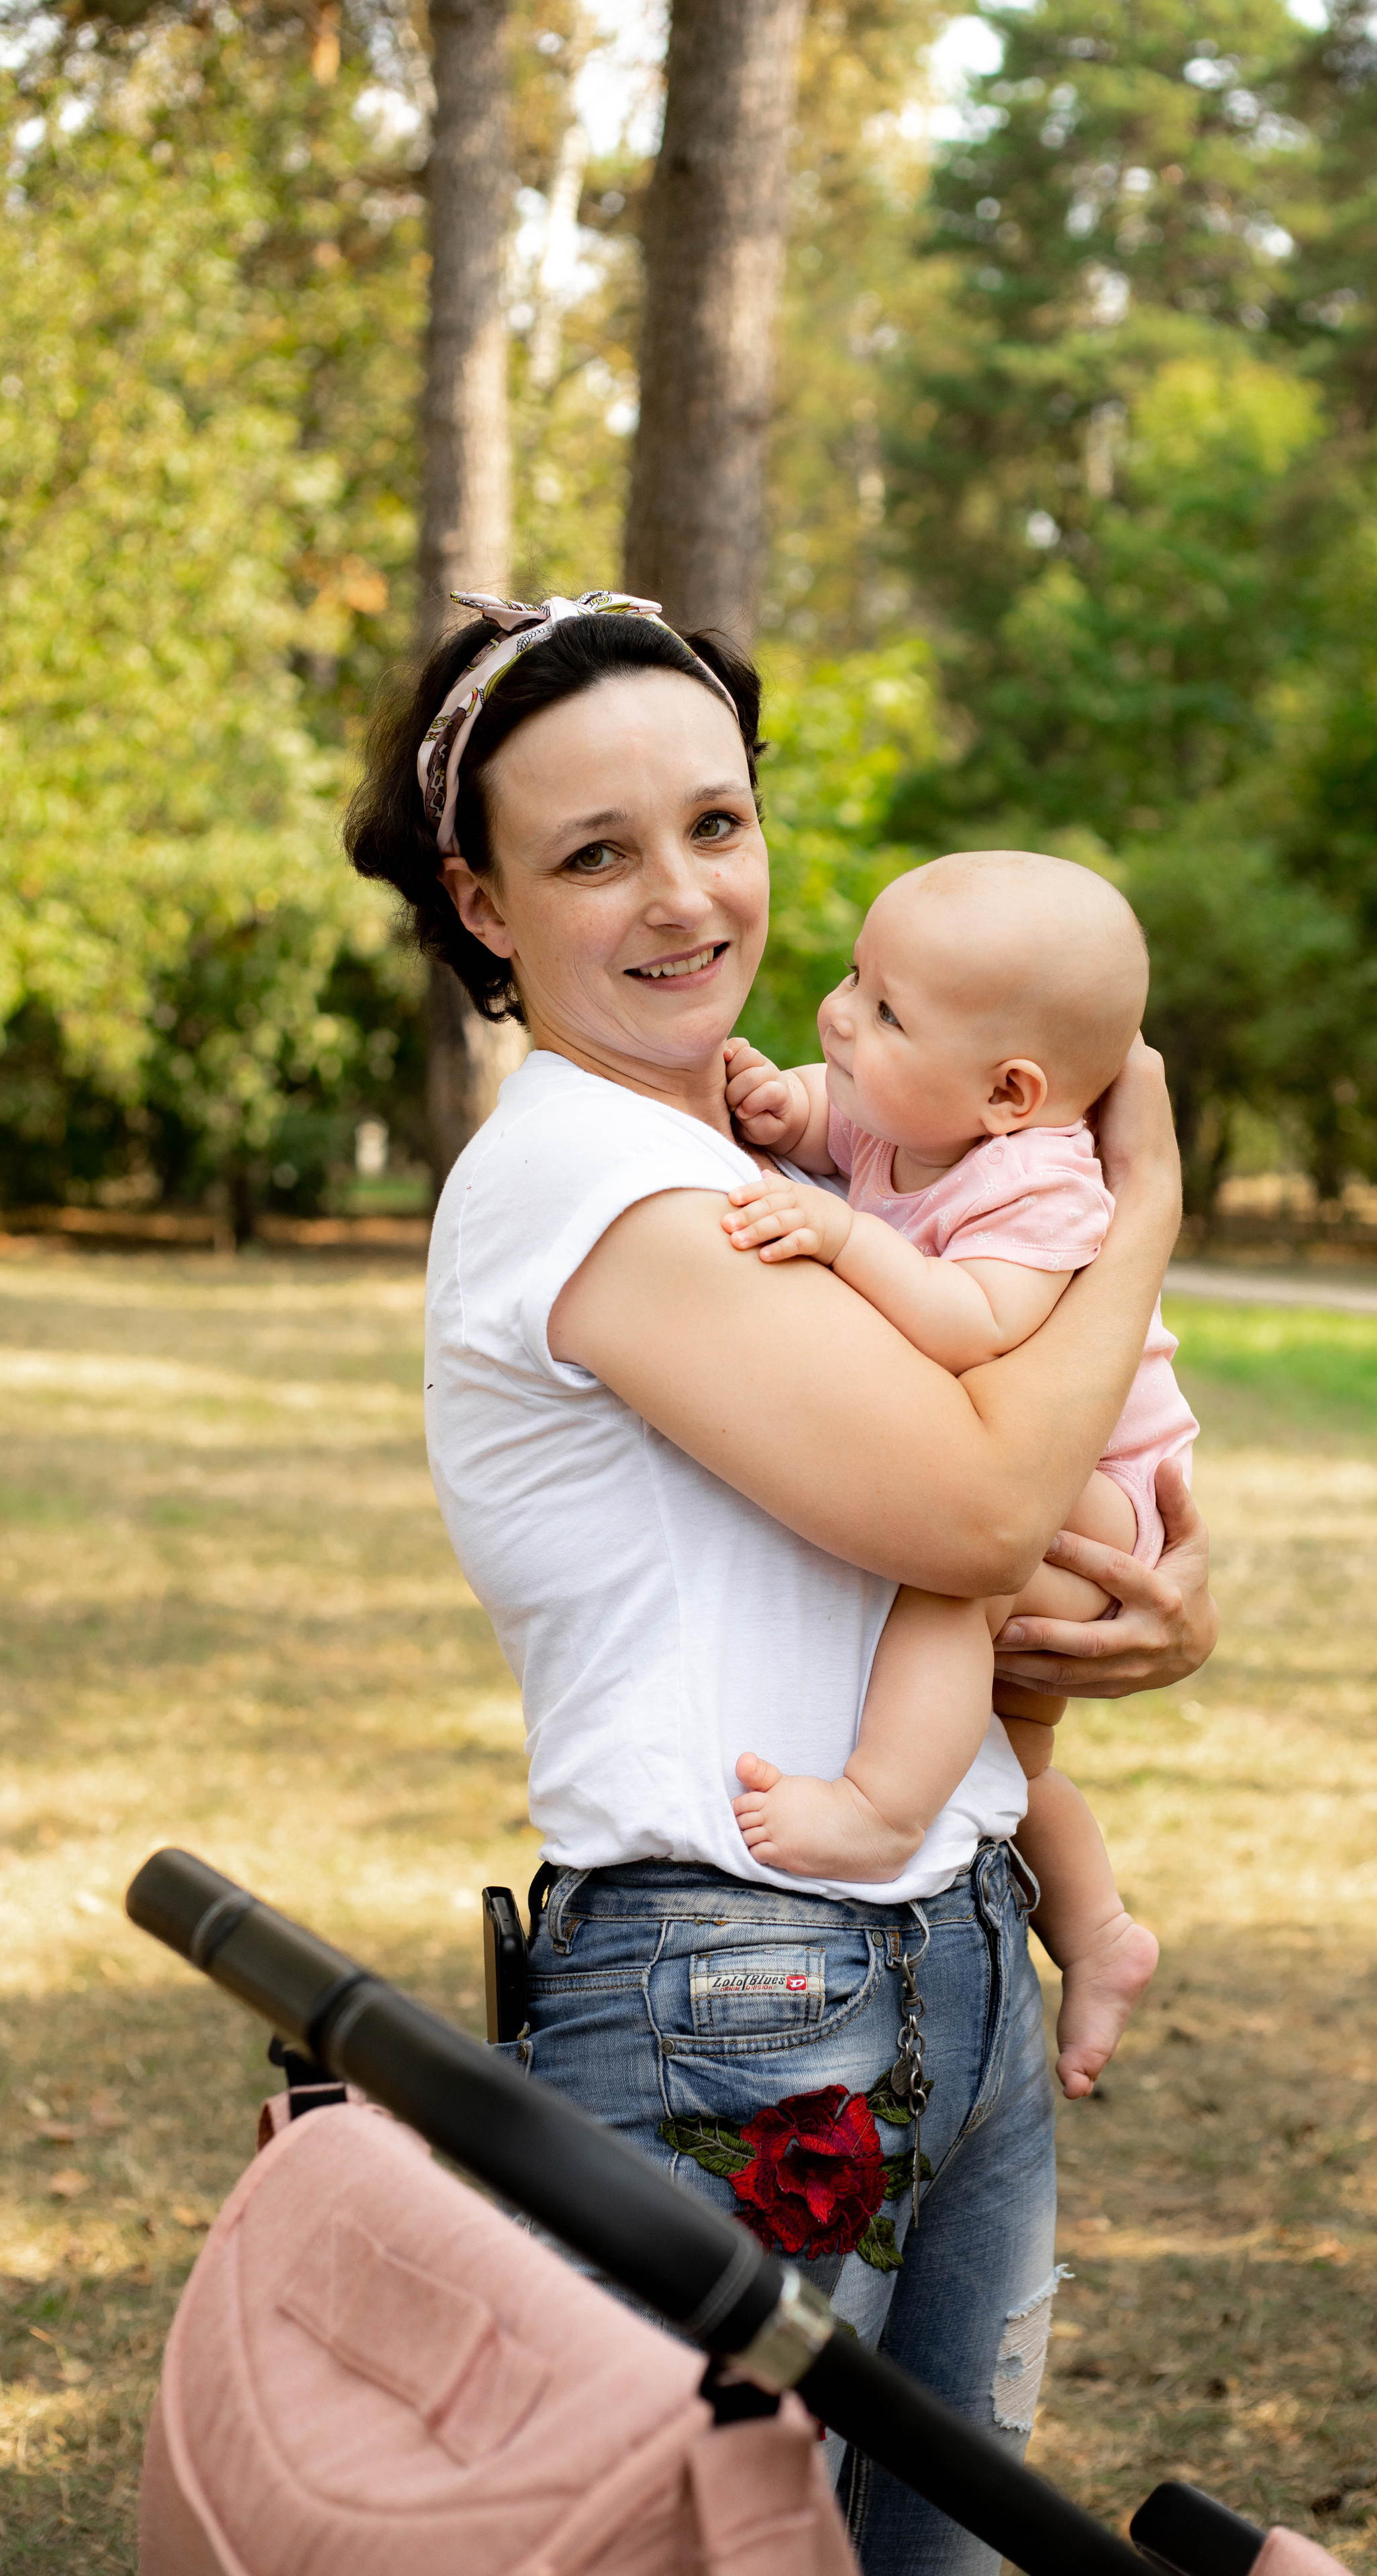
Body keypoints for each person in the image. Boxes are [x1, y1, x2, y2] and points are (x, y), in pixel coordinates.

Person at [345, 586, 1217, 2576]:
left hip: (965, 1946)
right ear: (483, 906)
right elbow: (986, 1513)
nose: (684, 900)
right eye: (594, 854)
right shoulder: (594, 1181)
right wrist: (1145, 1213)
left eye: (717, 826)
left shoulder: (805, 1163)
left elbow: (1028, 1518)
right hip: (738, 1987)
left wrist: (1167, 1615)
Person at [717, 851, 1197, 2102]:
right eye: (854, 977)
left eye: (882, 1011)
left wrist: (839, 1234)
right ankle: (1099, 1934)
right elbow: (838, 1114)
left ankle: (881, 1810)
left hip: (1103, 1497)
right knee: (1013, 1759)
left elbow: (969, 1321)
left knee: (947, 1591)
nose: (836, 1013)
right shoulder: (914, 1116)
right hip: (1056, 1475)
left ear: (1010, 1092)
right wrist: (785, 1112)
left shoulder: (1040, 1184)